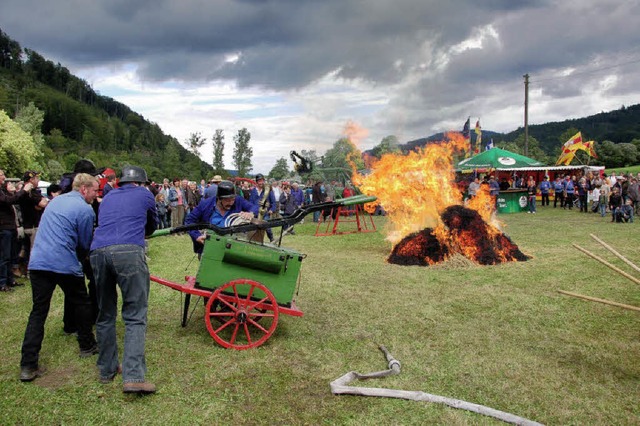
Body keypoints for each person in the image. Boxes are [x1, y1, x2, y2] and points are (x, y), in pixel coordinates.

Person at [19, 173, 100, 382]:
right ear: (84, 189)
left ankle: (28, 365)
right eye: (94, 190)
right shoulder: (85, 209)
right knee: (81, 302)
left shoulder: (55, 202)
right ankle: (87, 344)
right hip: (64, 262)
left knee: (38, 311)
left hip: (38, 262)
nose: (96, 195)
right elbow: (84, 244)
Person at [90, 165, 158, 394]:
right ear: (140, 182)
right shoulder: (146, 194)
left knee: (105, 313)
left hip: (98, 252)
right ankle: (134, 376)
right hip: (128, 251)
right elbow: (152, 225)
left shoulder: (108, 196)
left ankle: (107, 370)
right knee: (135, 314)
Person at [185, 180, 258, 255]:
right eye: (227, 200)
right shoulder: (205, 204)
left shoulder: (238, 200)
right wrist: (197, 236)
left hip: (233, 247)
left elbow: (254, 207)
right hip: (210, 247)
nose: (231, 203)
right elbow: (189, 221)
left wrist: (250, 213)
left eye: (233, 199)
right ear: (219, 198)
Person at [0, 170, 34, 292]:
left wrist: (21, 192)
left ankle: (10, 280)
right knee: (4, 256)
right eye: (2, 175)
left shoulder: (3, 190)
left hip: (10, 226)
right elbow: (9, 200)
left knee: (10, 255)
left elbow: (13, 198)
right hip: (4, 228)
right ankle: (2, 283)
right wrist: (23, 190)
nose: (5, 177)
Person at [249, 174, 276, 242]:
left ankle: (271, 239)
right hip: (255, 213)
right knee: (253, 229)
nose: (261, 182)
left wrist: (271, 210)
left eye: (262, 181)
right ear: (257, 182)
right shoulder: (253, 191)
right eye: (259, 181)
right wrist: (251, 211)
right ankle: (255, 240)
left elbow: (274, 203)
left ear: (264, 181)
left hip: (265, 213)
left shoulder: (269, 190)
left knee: (267, 227)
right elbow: (250, 202)